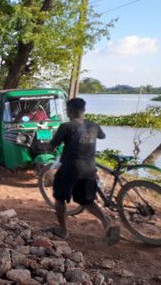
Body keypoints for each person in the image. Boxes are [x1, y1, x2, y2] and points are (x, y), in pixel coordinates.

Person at [48, 98, 120, 245]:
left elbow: (51, 146)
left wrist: (46, 147)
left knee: (60, 198)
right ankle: (108, 223)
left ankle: (63, 230)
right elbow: (102, 136)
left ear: (70, 110)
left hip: (70, 169)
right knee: (87, 201)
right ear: (84, 110)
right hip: (89, 169)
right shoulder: (93, 125)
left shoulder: (66, 126)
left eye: (67, 110)